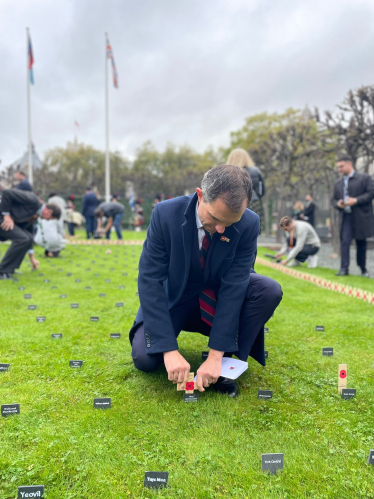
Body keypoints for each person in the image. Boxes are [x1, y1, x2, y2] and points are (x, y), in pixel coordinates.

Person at [129, 165, 282, 398]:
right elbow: (150, 280)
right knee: (145, 359)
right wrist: (168, 350)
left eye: (231, 222)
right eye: (215, 218)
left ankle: (230, 361)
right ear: (200, 195)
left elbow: (235, 287)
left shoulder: (249, 224)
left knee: (268, 289)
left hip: (218, 299)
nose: (221, 228)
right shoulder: (165, 214)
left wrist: (215, 356)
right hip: (178, 298)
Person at [0, 189, 61, 279]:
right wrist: (6, 216)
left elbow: (29, 235)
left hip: (6, 223)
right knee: (22, 239)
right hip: (2, 219)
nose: (47, 220)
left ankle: (10, 269)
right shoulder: (32, 200)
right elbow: (7, 193)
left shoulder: (34, 215)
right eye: (50, 218)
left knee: (27, 238)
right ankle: (3, 271)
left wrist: (32, 258)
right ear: (49, 212)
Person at [332, 154, 374, 277]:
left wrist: (355, 201)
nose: (339, 169)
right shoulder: (338, 183)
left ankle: (363, 269)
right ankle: (344, 269)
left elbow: (371, 193)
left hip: (361, 217)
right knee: (344, 242)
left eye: (341, 166)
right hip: (345, 217)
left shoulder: (364, 178)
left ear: (349, 164)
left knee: (361, 243)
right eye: (338, 167)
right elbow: (333, 200)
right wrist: (338, 204)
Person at [226, 148, 266, 231]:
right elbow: (262, 190)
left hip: (232, 203)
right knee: (252, 228)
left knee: (232, 228)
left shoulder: (226, 171)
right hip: (253, 202)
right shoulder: (255, 171)